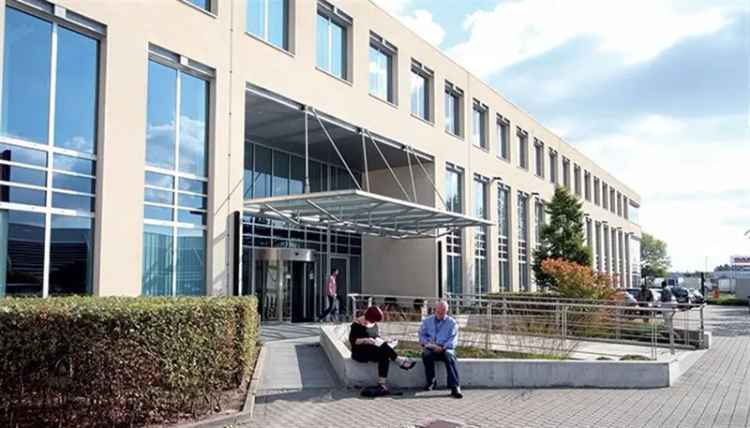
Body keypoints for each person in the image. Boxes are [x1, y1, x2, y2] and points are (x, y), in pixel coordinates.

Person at [349, 306, 416, 395]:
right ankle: (400, 361)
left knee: (384, 354)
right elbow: (353, 341)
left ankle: (382, 384)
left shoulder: (374, 324)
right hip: (360, 352)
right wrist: (366, 340)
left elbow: (376, 337)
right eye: (373, 321)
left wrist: (386, 341)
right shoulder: (356, 325)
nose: (373, 323)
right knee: (384, 349)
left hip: (372, 349)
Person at [418, 300, 462, 399]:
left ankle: (455, 386)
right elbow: (421, 335)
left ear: (446, 311)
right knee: (426, 354)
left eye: (442, 312)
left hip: (446, 348)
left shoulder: (452, 323)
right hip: (431, 347)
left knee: (449, 356)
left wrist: (443, 347)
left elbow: (453, 339)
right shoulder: (427, 321)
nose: (440, 314)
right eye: (438, 311)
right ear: (435, 310)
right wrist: (429, 345)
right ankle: (431, 382)